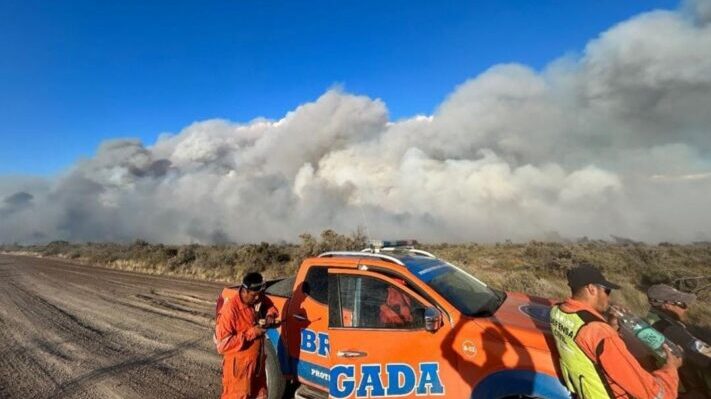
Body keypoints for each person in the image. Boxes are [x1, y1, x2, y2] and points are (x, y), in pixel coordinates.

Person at [550, 262, 683, 399]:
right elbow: (651, 393)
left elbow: (590, 348)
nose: (608, 297)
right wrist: (671, 369)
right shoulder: (601, 334)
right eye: (607, 291)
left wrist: (611, 326)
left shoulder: (558, 311)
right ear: (591, 289)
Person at [214, 272, 278, 399]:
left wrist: (270, 315)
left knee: (260, 396)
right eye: (254, 295)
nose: (257, 298)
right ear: (245, 291)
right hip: (239, 371)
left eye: (259, 295)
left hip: (257, 367)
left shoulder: (256, 298)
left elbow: (268, 303)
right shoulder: (231, 310)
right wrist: (252, 333)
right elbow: (222, 346)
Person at [646, 284, 711, 399]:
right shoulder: (668, 329)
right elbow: (705, 354)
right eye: (682, 304)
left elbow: (696, 332)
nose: (686, 308)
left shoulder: (654, 321)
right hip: (691, 389)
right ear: (667, 305)